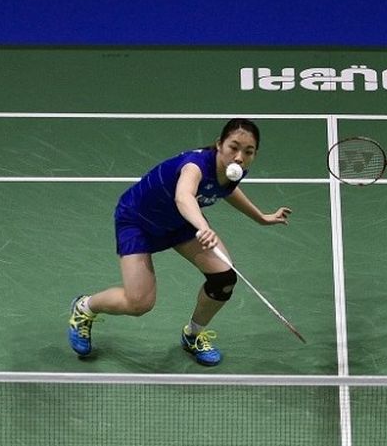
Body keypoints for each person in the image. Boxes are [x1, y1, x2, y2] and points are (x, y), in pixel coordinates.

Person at [67, 118, 292, 366]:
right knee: (139, 303)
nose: (239, 157)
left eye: (248, 152)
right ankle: (85, 307)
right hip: (138, 222)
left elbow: (225, 190)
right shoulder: (194, 166)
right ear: (219, 144)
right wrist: (203, 227)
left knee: (223, 279)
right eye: (234, 147)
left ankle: (192, 335)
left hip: (178, 224)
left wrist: (261, 217)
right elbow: (184, 197)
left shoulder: (232, 171)